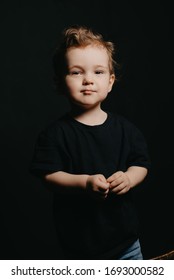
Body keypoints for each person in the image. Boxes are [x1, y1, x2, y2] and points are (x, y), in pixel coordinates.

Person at [30, 25, 151, 260]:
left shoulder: (126, 129)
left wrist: (128, 178)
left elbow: (141, 164)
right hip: (80, 247)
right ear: (59, 82)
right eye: (76, 72)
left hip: (126, 243)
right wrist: (84, 183)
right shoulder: (55, 134)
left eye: (98, 72)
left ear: (110, 81)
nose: (88, 80)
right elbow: (48, 176)